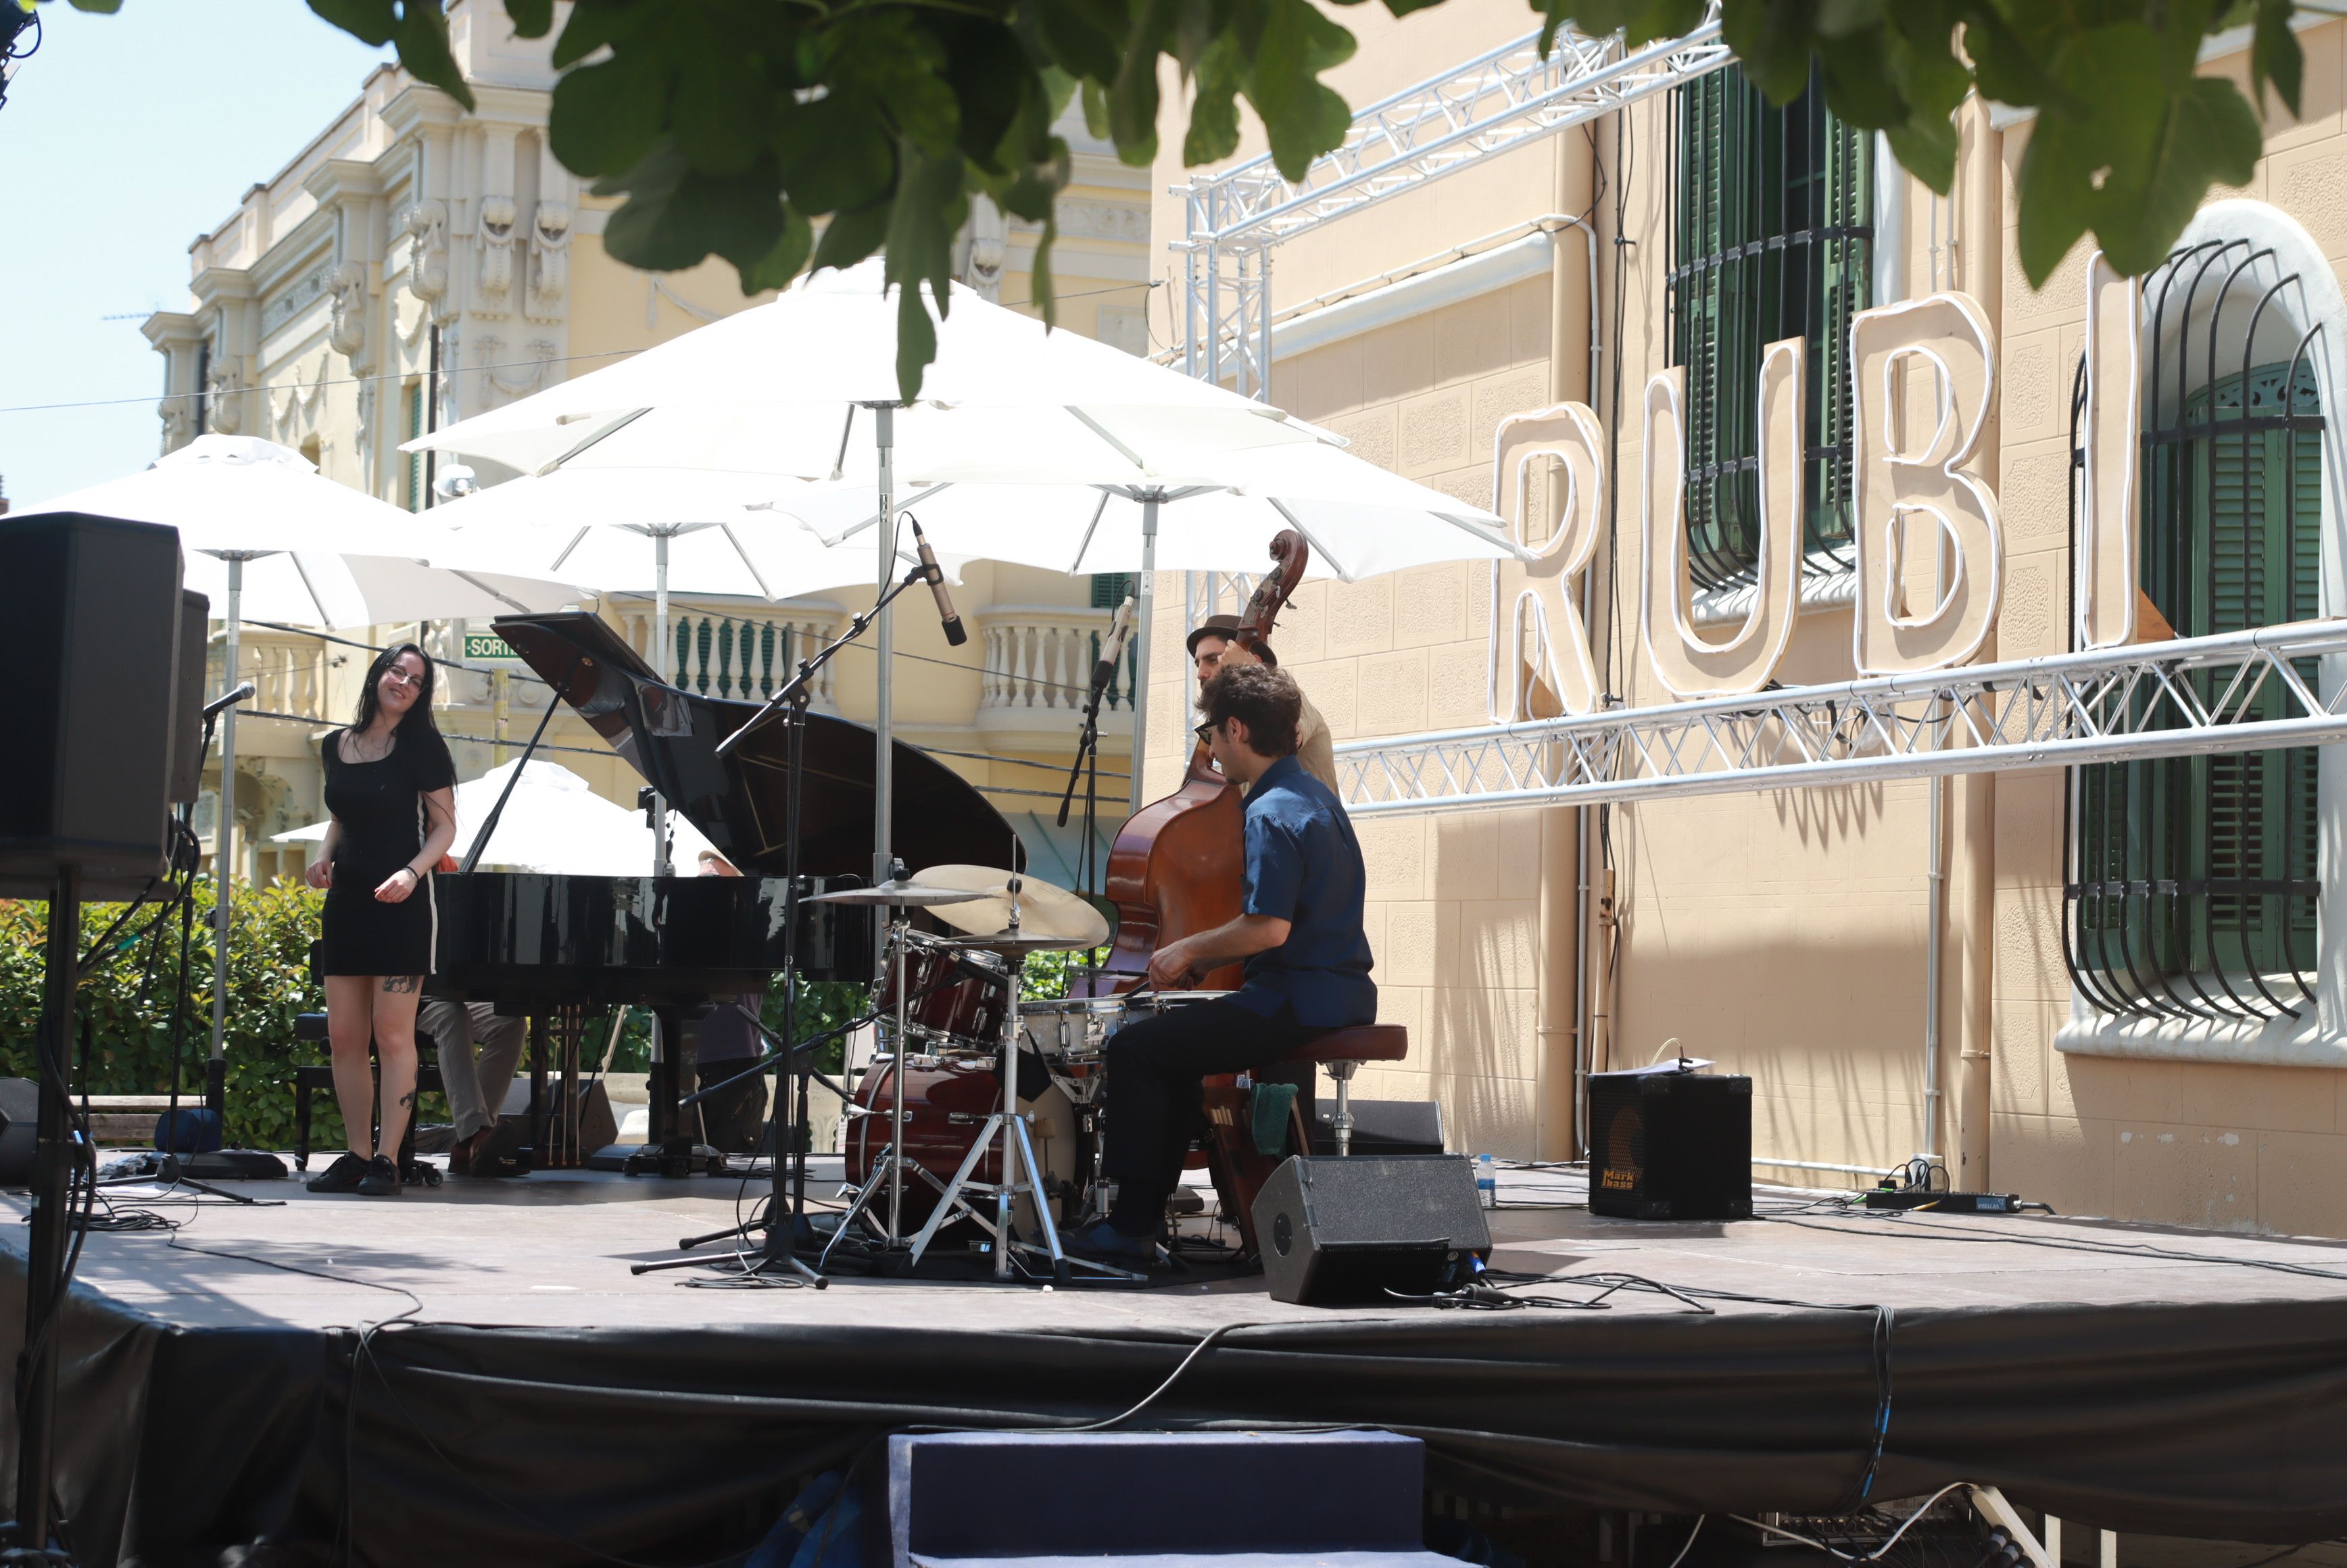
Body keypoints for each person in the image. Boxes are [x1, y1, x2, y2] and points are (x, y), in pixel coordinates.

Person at [1069, 663, 1376, 1264]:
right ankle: (1141, 1221)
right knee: (1172, 1053)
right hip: (1339, 991)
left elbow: (1269, 927)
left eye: (1209, 731)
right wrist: (1207, 959)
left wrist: (1186, 949)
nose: (1207, 745)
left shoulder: (1267, 811)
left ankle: (1131, 1225)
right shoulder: (1317, 797)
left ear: (1235, 729)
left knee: (1136, 1050)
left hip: (1297, 1000)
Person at [303, 643, 458, 1196]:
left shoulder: (422, 746)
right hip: (346, 902)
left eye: (417, 680)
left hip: (402, 905)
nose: (405, 684)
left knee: (393, 1035)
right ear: (379, 674)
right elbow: (342, 815)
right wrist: (323, 854)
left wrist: (413, 874)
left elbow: (445, 829)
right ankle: (355, 1153)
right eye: (398, 671)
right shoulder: (333, 746)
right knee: (345, 1036)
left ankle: (387, 1160)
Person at [1186, 614, 1338, 793]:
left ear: (1253, 663)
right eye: (1198, 664)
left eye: (1213, 660)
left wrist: (1250, 670)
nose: (1201, 673)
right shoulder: (1231, 722)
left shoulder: (1291, 702)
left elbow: (1286, 740)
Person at [687, 849, 769, 1153]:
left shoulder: (751, 920)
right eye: (702, 878)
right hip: (690, 1055)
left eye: (714, 878)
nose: (705, 886)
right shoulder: (690, 922)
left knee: (730, 1159)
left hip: (735, 1060)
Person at [418, 998, 526, 1175]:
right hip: (403, 1000)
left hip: (442, 996)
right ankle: (475, 1137)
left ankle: (472, 1148)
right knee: (453, 1013)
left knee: (510, 1022)